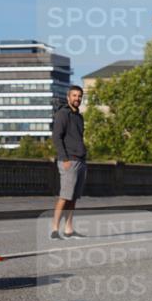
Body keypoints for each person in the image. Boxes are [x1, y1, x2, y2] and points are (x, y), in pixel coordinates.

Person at [51, 85, 87, 239]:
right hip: (69, 161)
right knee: (64, 196)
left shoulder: (79, 116)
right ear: (68, 97)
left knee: (73, 198)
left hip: (80, 160)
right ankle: (55, 229)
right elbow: (56, 137)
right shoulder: (62, 114)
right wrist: (64, 159)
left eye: (79, 96)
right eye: (74, 95)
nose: (77, 98)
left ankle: (69, 229)